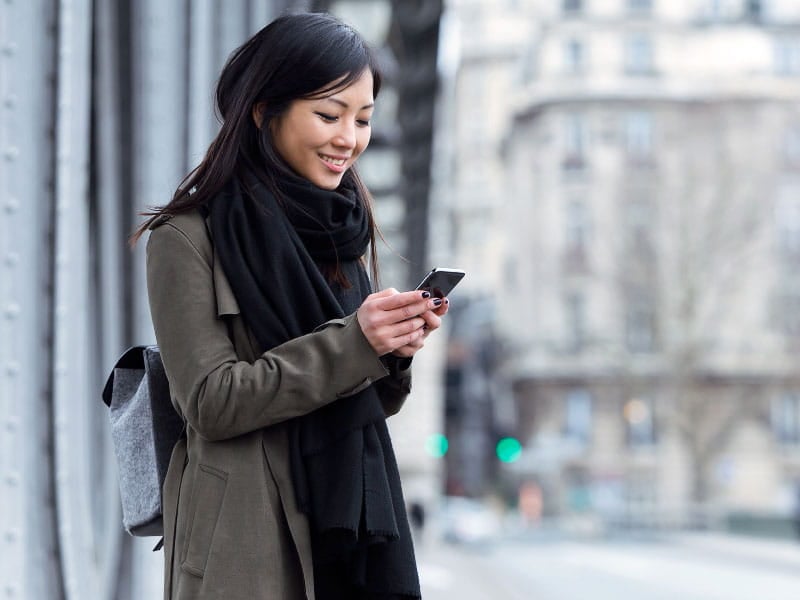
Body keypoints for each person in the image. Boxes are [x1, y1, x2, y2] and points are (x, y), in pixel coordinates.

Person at [131, 12, 448, 600]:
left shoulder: (343, 232)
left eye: (363, 119)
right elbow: (211, 402)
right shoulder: (186, 238)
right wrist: (357, 343)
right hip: (244, 540)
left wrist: (393, 349)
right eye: (328, 115)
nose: (348, 139)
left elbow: (366, 402)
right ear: (264, 110)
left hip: (347, 537)